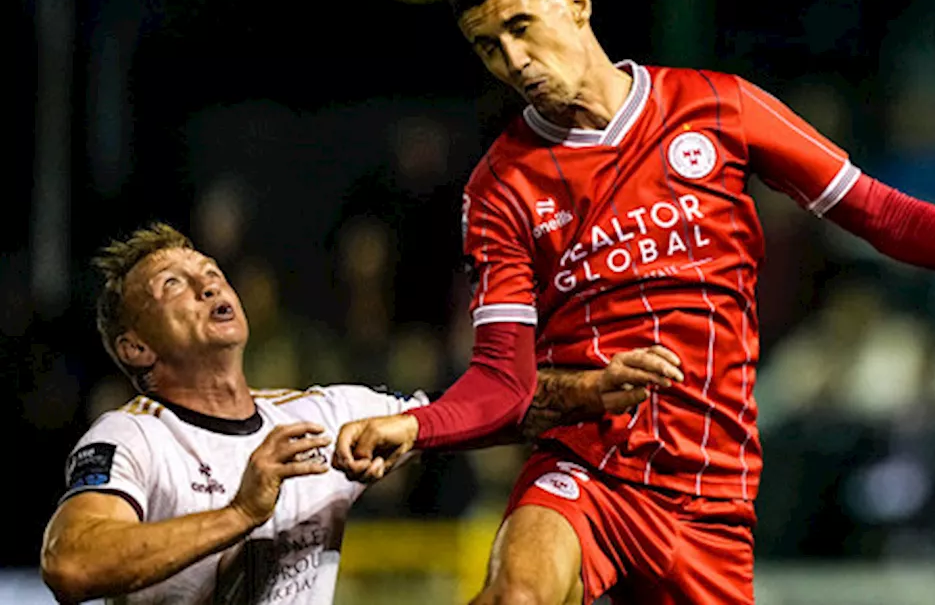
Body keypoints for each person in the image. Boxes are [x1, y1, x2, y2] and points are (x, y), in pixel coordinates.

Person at [332, 0, 935, 605]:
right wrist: (416, 425)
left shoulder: (717, 108)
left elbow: (880, 213)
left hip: (713, 492)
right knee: (515, 594)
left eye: (520, 25)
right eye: (487, 46)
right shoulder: (500, 186)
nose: (512, 58)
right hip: (589, 465)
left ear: (575, 2)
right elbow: (502, 382)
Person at [39, 222, 673, 604]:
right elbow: (72, 565)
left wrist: (592, 389)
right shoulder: (135, 435)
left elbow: (483, 410)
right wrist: (241, 513)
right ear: (136, 347)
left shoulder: (324, 414)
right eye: (172, 284)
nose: (209, 284)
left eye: (209, 271)